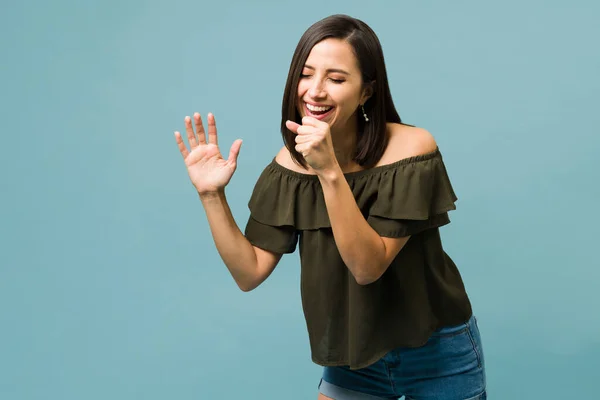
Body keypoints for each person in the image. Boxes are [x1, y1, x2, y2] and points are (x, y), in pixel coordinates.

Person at [174, 14, 486, 400]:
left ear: (367, 91)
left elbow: (368, 267)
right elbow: (249, 272)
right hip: (353, 355)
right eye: (306, 75)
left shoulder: (411, 150)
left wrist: (329, 171)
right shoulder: (289, 167)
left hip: (435, 350)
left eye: (336, 79)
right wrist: (211, 195)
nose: (315, 91)